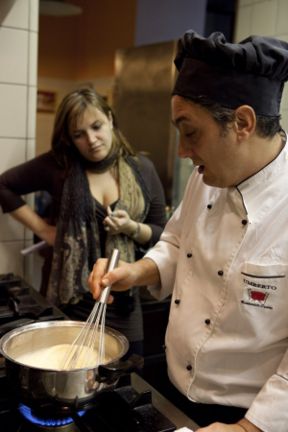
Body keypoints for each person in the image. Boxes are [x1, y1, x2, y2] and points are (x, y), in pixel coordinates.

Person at [88, 31, 288, 432]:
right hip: (175, 387)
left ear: (243, 123)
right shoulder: (206, 177)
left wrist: (248, 429)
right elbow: (178, 242)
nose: (182, 150)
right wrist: (137, 271)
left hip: (248, 416)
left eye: (190, 131)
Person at [0, 86, 167, 356]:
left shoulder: (142, 169)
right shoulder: (59, 167)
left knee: (125, 381)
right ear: (70, 138)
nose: (92, 139)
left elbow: (163, 235)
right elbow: (4, 185)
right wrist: (44, 230)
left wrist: (133, 228)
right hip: (68, 303)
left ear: (111, 119)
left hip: (123, 305)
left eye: (97, 126)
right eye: (79, 134)